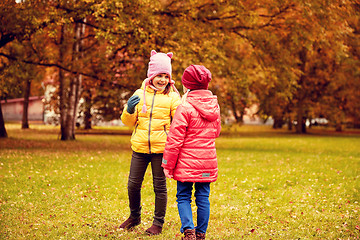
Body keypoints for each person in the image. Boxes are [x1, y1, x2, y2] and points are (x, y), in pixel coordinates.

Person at [120, 50, 181, 235]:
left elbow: (179, 122)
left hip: (161, 150)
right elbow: (128, 122)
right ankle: (134, 216)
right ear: (151, 75)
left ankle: (158, 223)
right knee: (133, 185)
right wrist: (129, 109)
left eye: (165, 76)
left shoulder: (172, 97)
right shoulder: (139, 94)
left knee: (159, 187)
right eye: (159, 76)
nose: (162, 80)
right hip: (139, 148)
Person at [162, 65, 221, 240]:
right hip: (207, 161)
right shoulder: (214, 106)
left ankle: (189, 232)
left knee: (183, 196)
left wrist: (167, 165)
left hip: (186, 163)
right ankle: (201, 233)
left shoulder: (185, 107)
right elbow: (216, 132)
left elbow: (174, 140)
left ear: (187, 86)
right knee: (203, 196)